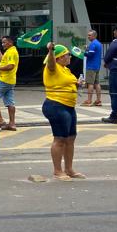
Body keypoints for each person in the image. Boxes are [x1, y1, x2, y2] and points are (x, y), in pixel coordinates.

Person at [42, 43, 84, 180]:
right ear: (59, 58)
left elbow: (65, 82)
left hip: (69, 106)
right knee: (60, 139)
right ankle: (58, 170)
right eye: (67, 54)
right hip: (56, 105)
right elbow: (51, 64)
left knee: (71, 138)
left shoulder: (65, 69)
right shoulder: (53, 68)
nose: (70, 56)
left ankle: (69, 169)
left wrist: (77, 84)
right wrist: (51, 51)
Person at [0, 35, 19, 131]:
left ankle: (0, 121)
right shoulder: (10, 51)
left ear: (10, 43)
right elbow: (3, 60)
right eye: (2, 42)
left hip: (3, 80)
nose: (2, 44)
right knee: (10, 102)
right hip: (10, 81)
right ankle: (12, 124)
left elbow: (10, 66)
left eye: (4, 42)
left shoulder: (12, 52)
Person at [82, 29, 104, 107]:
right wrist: (88, 49)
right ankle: (98, 100)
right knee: (97, 83)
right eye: (88, 35)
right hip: (97, 66)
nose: (88, 37)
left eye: (89, 35)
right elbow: (93, 53)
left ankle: (89, 100)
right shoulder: (98, 43)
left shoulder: (93, 44)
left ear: (94, 36)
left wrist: (84, 52)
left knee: (90, 84)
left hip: (91, 66)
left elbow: (90, 55)